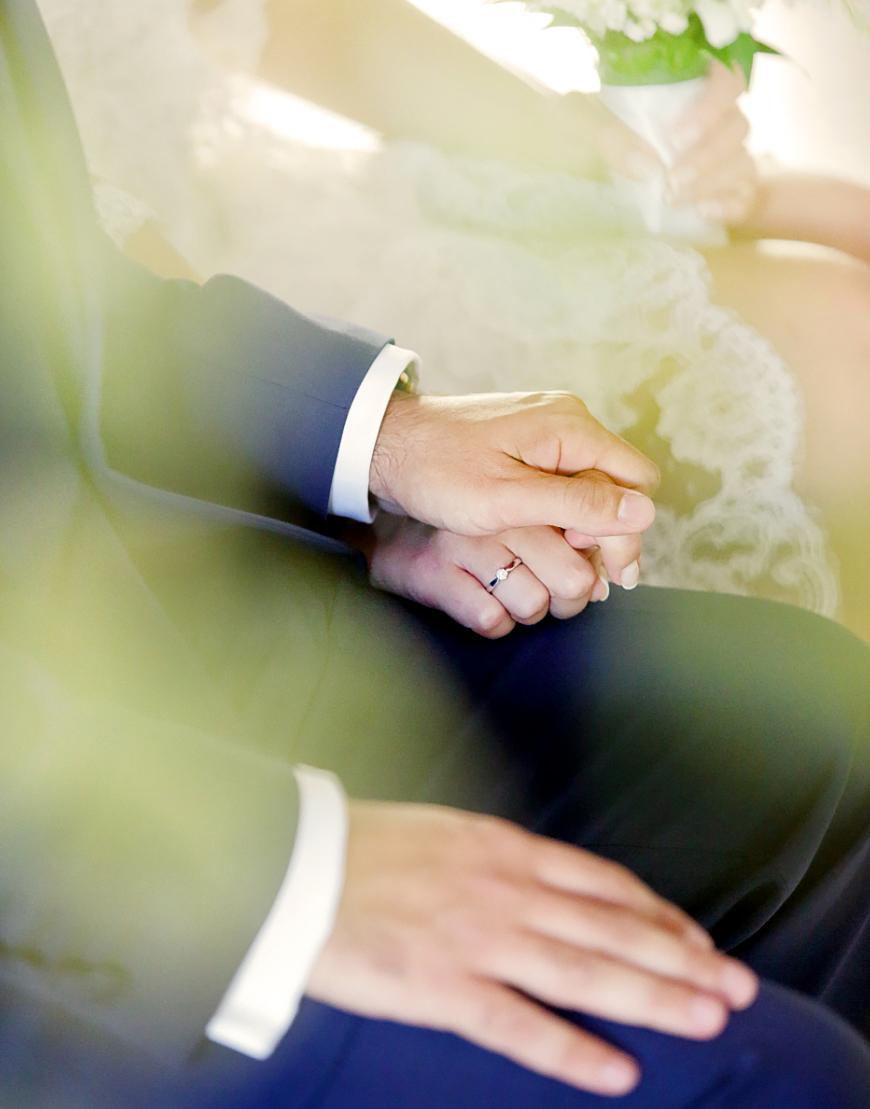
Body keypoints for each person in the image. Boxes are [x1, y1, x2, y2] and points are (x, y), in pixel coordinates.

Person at [2, 2, 869, 1107]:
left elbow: (57, 315)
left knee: (823, 733)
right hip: (72, 906)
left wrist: (382, 460)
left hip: (172, 603)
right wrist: (291, 885)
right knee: (777, 1074)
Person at [34, 0, 870, 640]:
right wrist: (361, 467)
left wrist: (587, 144)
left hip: (294, 218)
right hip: (136, 389)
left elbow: (290, 23)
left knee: (839, 259)